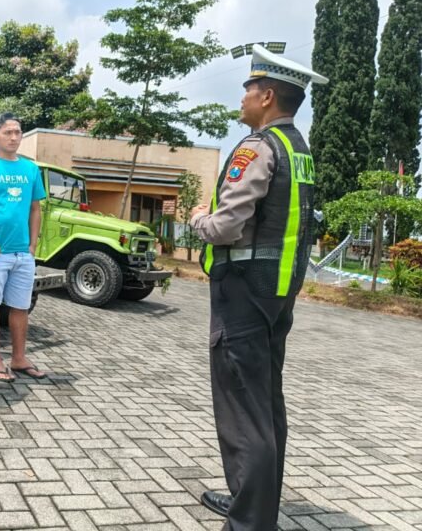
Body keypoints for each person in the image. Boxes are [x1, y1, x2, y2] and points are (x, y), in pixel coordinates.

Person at [190, 44, 327, 530]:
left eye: (249, 88)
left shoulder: (257, 148)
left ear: (267, 96)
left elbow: (226, 226)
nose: (243, 96)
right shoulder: (299, 149)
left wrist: (198, 219)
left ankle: (249, 520)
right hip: (278, 291)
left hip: (244, 292)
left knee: (243, 409)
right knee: (265, 404)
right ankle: (253, 503)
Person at [0, 113, 47, 382]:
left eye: (18, 132)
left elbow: (35, 208)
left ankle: (19, 359)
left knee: (20, 308)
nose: (14, 137)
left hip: (22, 254)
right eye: (8, 132)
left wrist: (32, 245)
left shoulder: (30, 169)